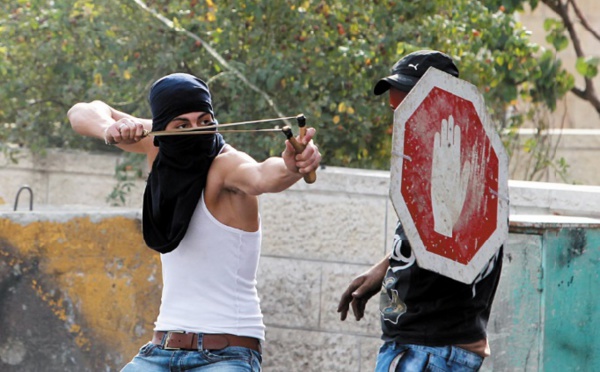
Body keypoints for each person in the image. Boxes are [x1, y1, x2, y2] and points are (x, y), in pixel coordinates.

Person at [67, 72, 321, 371]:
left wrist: (292, 166)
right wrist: (113, 128)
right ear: (165, 128)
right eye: (182, 125)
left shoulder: (227, 165)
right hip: (160, 350)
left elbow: (263, 175)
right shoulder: (158, 145)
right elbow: (80, 112)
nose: (196, 131)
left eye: (205, 120)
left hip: (227, 353)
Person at [337, 50, 503, 371]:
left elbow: (459, 248)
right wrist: (382, 270)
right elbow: (424, 236)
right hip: (420, 346)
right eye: (396, 106)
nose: (398, 111)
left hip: (430, 350)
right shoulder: (434, 155)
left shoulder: (464, 160)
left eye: (410, 98)